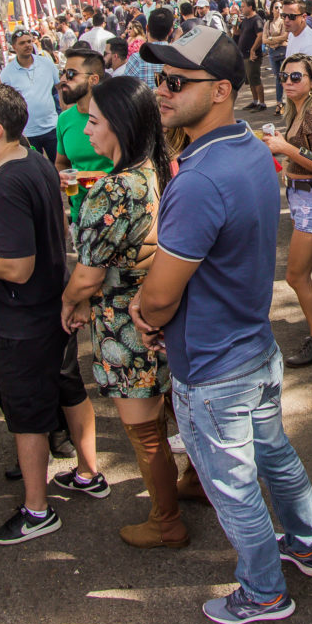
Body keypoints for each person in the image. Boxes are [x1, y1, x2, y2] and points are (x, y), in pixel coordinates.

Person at [134, 27, 312, 624]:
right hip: (253, 345)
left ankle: (265, 591)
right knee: (273, 455)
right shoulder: (248, 146)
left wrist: (145, 313)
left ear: (219, 90)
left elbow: (163, 294)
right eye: (158, 80)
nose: (160, 92)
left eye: (174, 82)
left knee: (233, 486)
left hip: (213, 364)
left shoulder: (197, 179)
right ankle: (305, 543)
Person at [0, 83, 102, 546]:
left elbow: (18, 267)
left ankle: (37, 510)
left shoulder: (7, 185)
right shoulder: (33, 159)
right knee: (67, 386)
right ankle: (88, 473)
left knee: (27, 413)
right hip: (50, 305)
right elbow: (53, 227)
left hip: (26, 319)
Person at [59, 75, 188, 548]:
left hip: (123, 328)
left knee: (146, 431)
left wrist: (70, 304)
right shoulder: (161, 170)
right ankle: (192, 482)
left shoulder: (113, 191)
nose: (86, 130)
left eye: (94, 121)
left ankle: (166, 520)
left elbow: (88, 276)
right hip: (163, 314)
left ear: (120, 126)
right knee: (176, 407)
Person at [262, 54, 312, 369]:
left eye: (296, 77)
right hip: (302, 198)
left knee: (295, 276)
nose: (288, 82)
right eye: (284, 76)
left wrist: (286, 149)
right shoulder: (297, 110)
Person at [54, 45, 109, 226]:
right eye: (63, 73)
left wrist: (83, 179)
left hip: (113, 213)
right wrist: (61, 177)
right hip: (79, 215)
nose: (63, 80)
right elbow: (61, 163)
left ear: (93, 79)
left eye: (71, 74)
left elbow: (131, 171)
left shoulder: (114, 117)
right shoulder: (64, 120)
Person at [2, 29, 62, 161]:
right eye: (22, 43)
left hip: (52, 127)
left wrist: (62, 114)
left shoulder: (46, 63)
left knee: (60, 167)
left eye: (29, 41)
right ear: (14, 47)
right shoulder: (7, 74)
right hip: (27, 133)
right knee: (36, 170)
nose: (27, 45)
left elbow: (59, 88)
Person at [235, 0, 268, 111]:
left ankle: (262, 103)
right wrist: (234, 24)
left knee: (255, 78)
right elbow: (237, 33)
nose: (241, 9)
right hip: (244, 55)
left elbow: (260, 36)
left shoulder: (256, 20)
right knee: (250, 79)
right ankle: (255, 101)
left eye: (243, 6)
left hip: (252, 55)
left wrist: (253, 50)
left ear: (250, 7)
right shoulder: (245, 20)